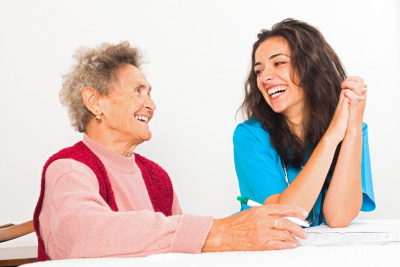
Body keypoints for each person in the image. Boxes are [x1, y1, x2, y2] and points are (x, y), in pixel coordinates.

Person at [33, 42, 307, 261]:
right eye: (138, 91)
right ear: (94, 102)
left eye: (149, 93)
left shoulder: (157, 176)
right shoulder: (69, 169)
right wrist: (221, 232)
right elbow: (86, 235)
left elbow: (175, 254)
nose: (150, 104)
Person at [233, 19, 375, 228]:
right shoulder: (249, 136)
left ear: (311, 66)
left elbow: (338, 217)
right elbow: (284, 217)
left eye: (279, 63)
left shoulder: (354, 130)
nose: (264, 77)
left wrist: (352, 126)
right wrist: (332, 137)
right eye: (259, 70)